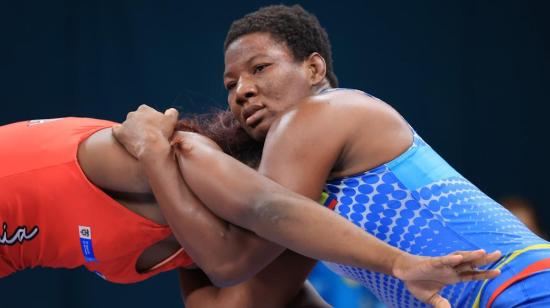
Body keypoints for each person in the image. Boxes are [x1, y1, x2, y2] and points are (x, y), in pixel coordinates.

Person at [112, 4, 550, 307]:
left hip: (524, 287)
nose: (242, 90)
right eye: (230, 84)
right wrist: (182, 237)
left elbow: (230, 262)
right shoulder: (305, 200)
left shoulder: (318, 114)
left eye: (260, 68)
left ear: (314, 69)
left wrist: (158, 160)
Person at [0, 115, 497, 308]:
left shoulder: (196, 246)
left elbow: (243, 287)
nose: (268, 235)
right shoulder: (167, 151)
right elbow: (268, 208)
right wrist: (397, 262)